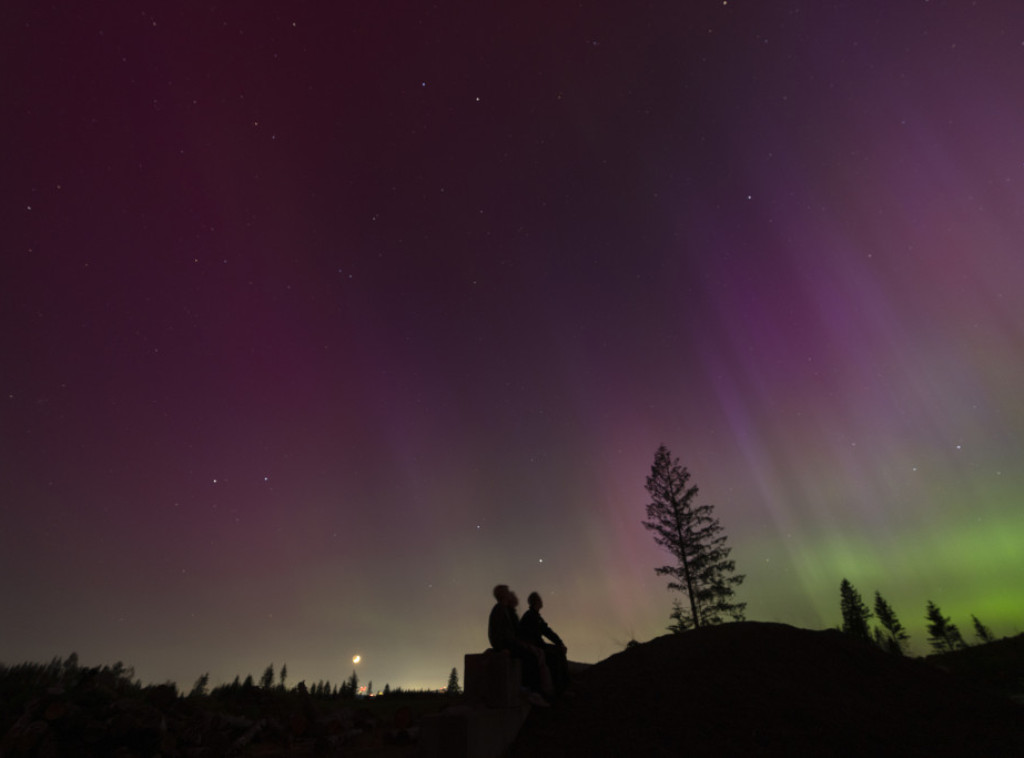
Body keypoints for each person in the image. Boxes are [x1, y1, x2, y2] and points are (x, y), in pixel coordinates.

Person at [488, 584, 550, 705]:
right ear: (503, 594)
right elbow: (497, 632)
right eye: (507, 591)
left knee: (531, 655)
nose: (510, 593)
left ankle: (537, 691)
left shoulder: (504, 609)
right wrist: (502, 648)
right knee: (530, 658)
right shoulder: (499, 609)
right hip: (506, 645)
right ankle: (532, 692)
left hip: (509, 644)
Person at [519, 591, 569, 697]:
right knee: (554, 657)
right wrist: (558, 644)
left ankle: (566, 684)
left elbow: (547, 631)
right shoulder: (531, 616)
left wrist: (560, 643)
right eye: (540, 599)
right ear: (537, 602)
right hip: (534, 647)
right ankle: (560, 689)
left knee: (559, 651)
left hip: (538, 645)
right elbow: (540, 634)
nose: (542, 601)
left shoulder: (535, 616)